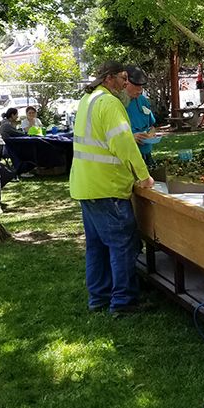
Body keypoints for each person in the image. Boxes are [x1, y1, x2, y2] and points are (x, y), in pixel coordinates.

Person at [69, 61, 154, 315]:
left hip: (86, 185)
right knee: (123, 244)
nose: (125, 83)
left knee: (96, 245)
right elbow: (124, 144)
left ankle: (99, 297)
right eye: (122, 77)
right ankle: (124, 302)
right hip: (106, 187)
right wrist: (143, 175)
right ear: (109, 79)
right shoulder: (109, 103)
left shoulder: (89, 99)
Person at [124, 65, 158, 168]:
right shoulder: (117, 103)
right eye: (137, 85)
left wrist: (151, 134)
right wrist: (131, 138)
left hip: (146, 154)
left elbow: (152, 126)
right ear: (126, 83)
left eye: (142, 86)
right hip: (128, 157)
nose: (140, 89)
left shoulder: (143, 100)